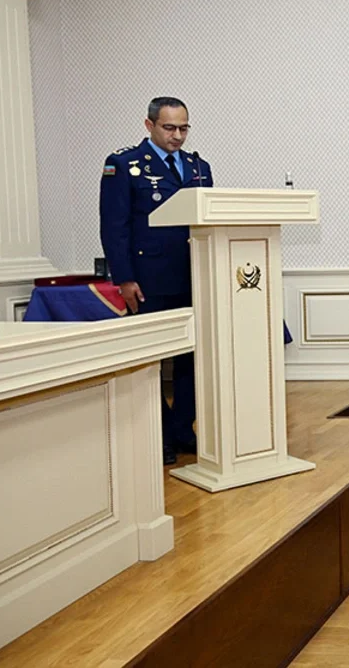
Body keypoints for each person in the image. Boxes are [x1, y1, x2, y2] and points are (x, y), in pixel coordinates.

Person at [100, 97, 212, 466]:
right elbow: (114, 227)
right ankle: (159, 434)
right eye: (169, 128)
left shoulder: (198, 167)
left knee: (191, 360)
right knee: (150, 361)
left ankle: (182, 429)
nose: (177, 135)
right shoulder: (124, 165)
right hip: (148, 280)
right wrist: (124, 277)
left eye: (183, 128)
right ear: (149, 126)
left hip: (193, 276)